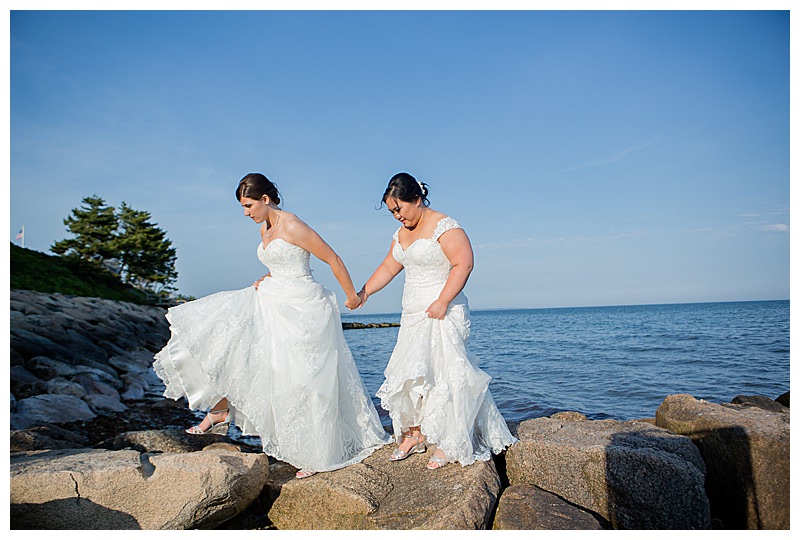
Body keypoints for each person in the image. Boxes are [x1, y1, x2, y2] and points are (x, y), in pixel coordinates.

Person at [153, 172, 391, 479]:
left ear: (266, 200)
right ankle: (221, 408)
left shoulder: (291, 224)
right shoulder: (265, 226)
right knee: (232, 346)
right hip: (272, 298)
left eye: (249, 205)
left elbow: (331, 258)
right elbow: (281, 263)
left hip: (302, 307)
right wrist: (268, 277)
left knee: (305, 379)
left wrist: (352, 296)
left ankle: (319, 453)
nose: (246, 213)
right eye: (243, 207)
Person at [355, 172, 517, 470]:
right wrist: (364, 292)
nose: (396, 217)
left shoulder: (445, 225)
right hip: (413, 312)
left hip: (443, 307)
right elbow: (389, 267)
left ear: (416, 198)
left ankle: (449, 440)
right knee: (412, 373)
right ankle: (415, 434)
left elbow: (463, 263)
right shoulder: (401, 234)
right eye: (392, 212)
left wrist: (443, 301)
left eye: (399, 209)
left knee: (445, 372)